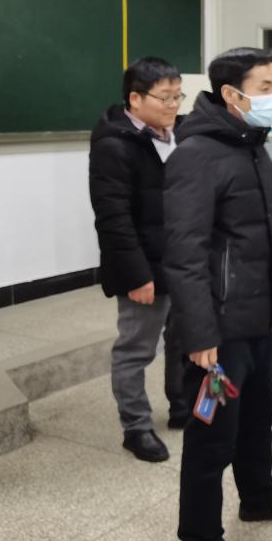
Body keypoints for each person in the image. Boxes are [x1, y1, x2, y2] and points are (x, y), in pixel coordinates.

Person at [164, 48, 272, 541]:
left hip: (258, 321)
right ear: (232, 94)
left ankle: (258, 497)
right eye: (265, 88)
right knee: (212, 438)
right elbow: (184, 253)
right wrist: (199, 334)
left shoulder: (254, 147)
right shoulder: (196, 155)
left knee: (259, 416)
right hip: (219, 329)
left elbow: (263, 238)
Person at [89, 57, 188, 463]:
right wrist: (136, 275)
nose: (174, 105)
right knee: (136, 349)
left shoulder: (178, 134)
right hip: (143, 266)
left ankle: (181, 406)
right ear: (135, 98)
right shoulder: (114, 144)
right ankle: (136, 427)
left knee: (183, 338)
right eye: (165, 98)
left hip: (182, 261)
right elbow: (113, 217)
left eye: (178, 96)